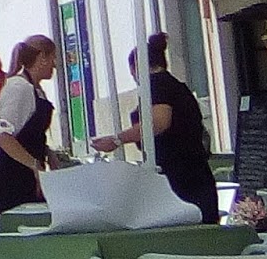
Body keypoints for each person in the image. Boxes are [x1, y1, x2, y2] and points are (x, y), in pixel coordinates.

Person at [93, 32, 218, 224]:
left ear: (135, 68)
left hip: (181, 176)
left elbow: (158, 122)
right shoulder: (175, 86)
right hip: (193, 172)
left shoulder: (158, 85)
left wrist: (117, 140)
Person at [0, 35, 59, 218]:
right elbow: (3, 136)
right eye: (52, 58)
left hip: (28, 177)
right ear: (41, 57)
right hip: (12, 179)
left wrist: (47, 153)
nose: (55, 65)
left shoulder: (35, 90)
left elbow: (29, 135)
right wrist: (35, 165)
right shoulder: (19, 87)